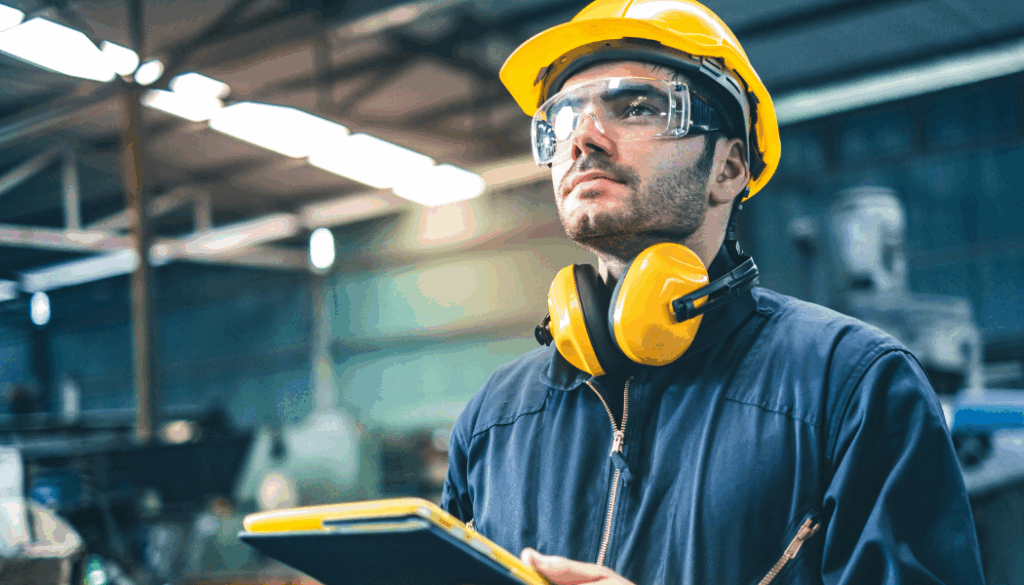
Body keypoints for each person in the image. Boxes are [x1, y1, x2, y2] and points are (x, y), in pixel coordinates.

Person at [441, 1, 985, 583]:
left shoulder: (853, 385)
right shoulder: (494, 419)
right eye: (565, 117)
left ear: (728, 168)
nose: (583, 139)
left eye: (636, 108)